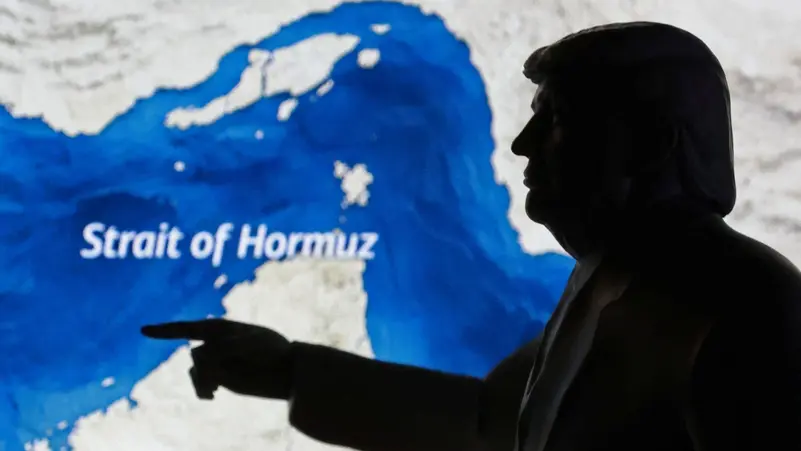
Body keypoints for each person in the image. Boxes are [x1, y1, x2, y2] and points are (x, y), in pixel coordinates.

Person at [141, 22, 801, 451]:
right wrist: (290, 371)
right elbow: (490, 421)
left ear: (653, 145)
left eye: (557, 120)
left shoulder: (750, 307)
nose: (523, 144)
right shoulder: (607, 280)